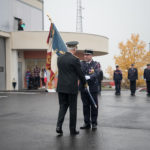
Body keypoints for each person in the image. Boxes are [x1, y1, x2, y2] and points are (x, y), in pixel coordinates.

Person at [56, 41, 87, 135]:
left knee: (62, 107)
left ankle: (58, 126)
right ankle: (72, 130)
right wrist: (84, 83)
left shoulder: (59, 58)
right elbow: (80, 73)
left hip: (61, 87)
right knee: (73, 109)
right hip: (71, 88)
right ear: (74, 49)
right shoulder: (75, 60)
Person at [79, 49, 100, 130]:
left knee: (94, 106)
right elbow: (78, 73)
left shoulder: (96, 64)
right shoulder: (81, 64)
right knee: (85, 106)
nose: (85, 56)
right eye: (84, 55)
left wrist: (90, 77)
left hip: (92, 88)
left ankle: (94, 123)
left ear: (91, 56)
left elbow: (97, 73)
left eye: (87, 55)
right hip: (83, 88)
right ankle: (86, 123)